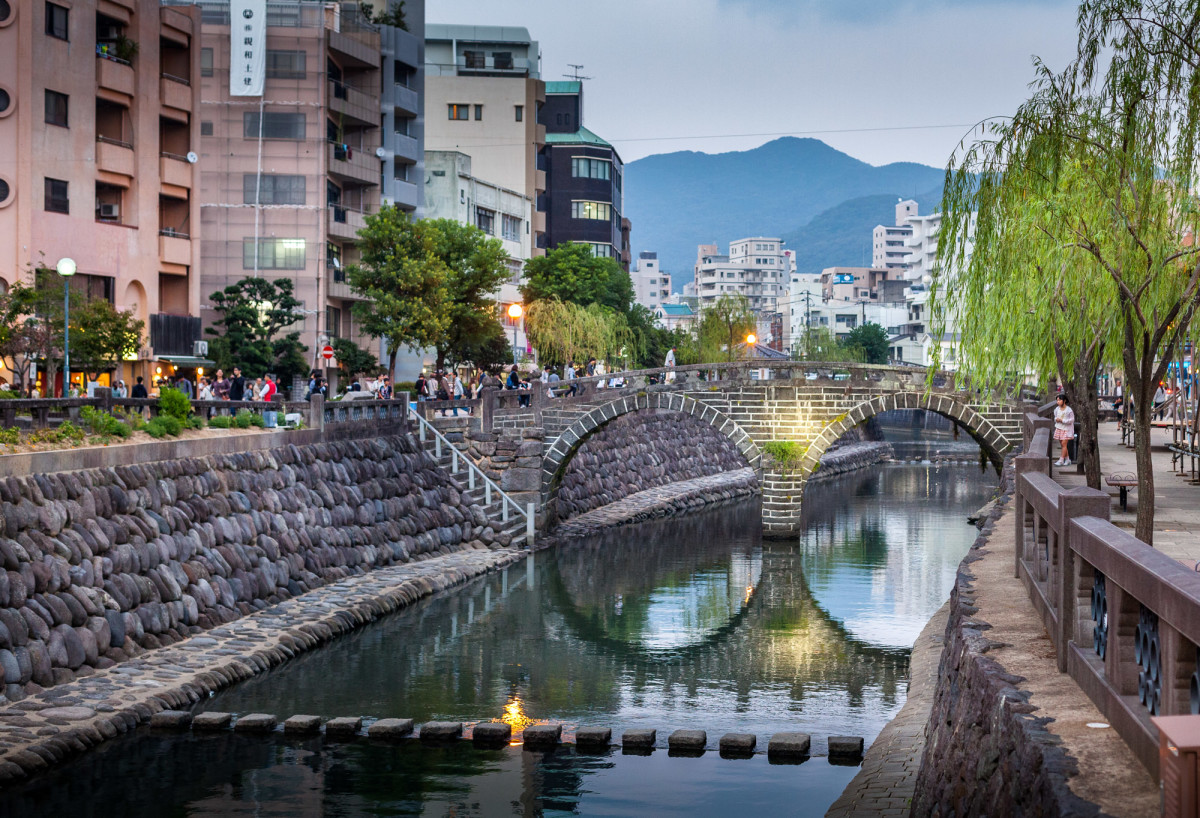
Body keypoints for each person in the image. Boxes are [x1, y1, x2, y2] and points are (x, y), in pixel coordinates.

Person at [1053, 393, 1075, 467]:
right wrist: (1057, 419)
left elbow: (1072, 420)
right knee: (1063, 445)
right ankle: (1068, 459)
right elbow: (1055, 417)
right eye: (1057, 400)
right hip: (1059, 428)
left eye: (1059, 400)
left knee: (1064, 444)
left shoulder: (1069, 410)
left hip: (1067, 429)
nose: (1058, 402)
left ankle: (1061, 460)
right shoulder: (1057, 409)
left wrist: (1062, 420)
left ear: (1064, 401)